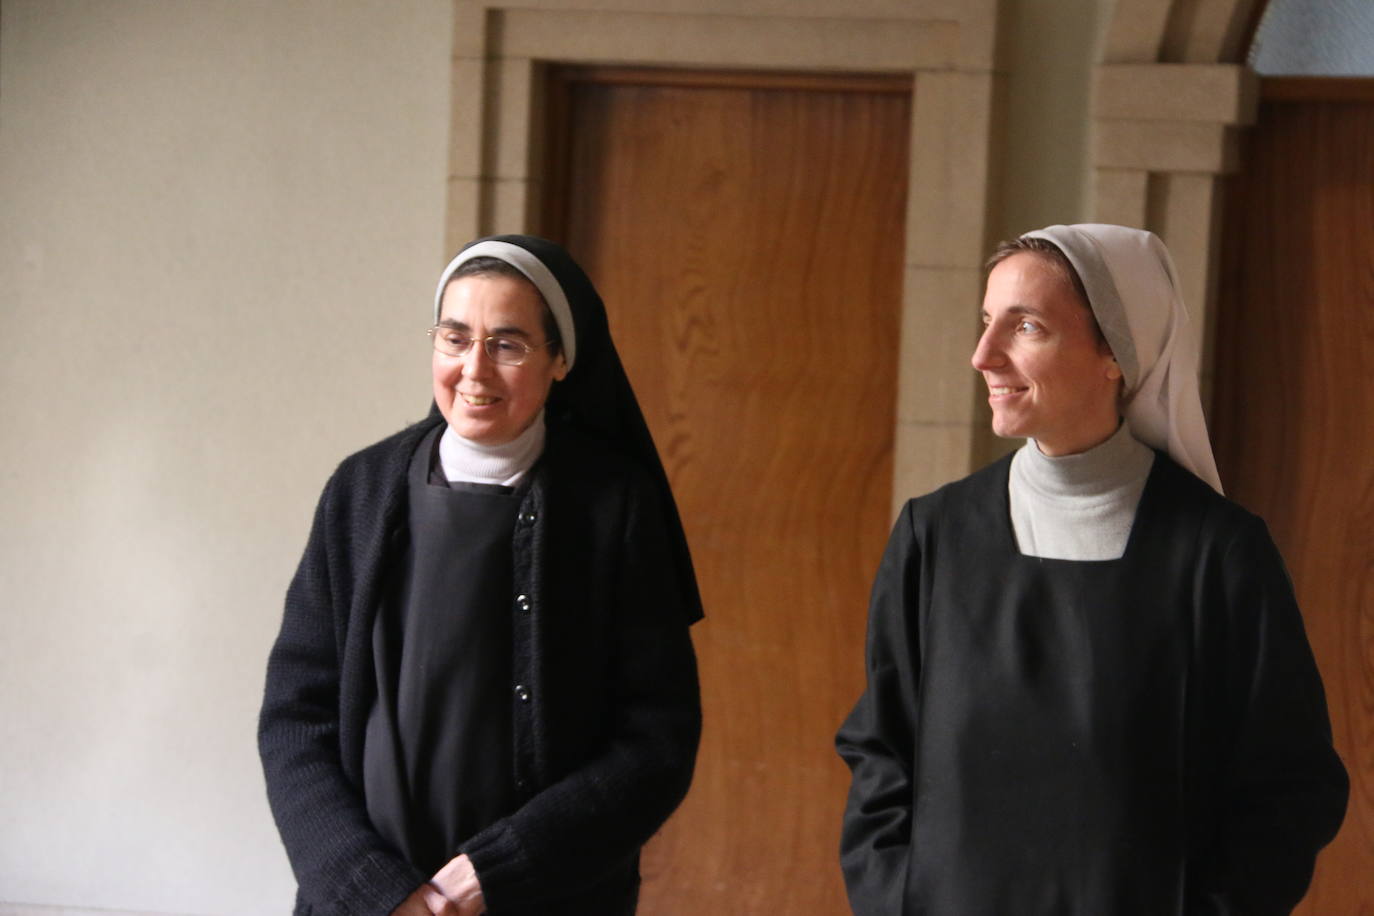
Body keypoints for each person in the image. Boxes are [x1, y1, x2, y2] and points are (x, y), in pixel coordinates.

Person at [836, 224, 1348, 915]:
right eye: (988, 323)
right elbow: (880, 751)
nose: (983, 355)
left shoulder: (1218, 556)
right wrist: (898, 900)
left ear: (1116, 350)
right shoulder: (935, 536)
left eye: (1027, 327)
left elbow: (1291, 783)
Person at [259, 235, 703, 916]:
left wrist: (494, 873)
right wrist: (377, 889)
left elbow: (656, 741)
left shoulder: (613, 509)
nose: (474, 370)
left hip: (546, 900)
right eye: (455, 337)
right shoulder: (360, 491)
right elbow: (296, 719)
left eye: (508, 343)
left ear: (560, 360)